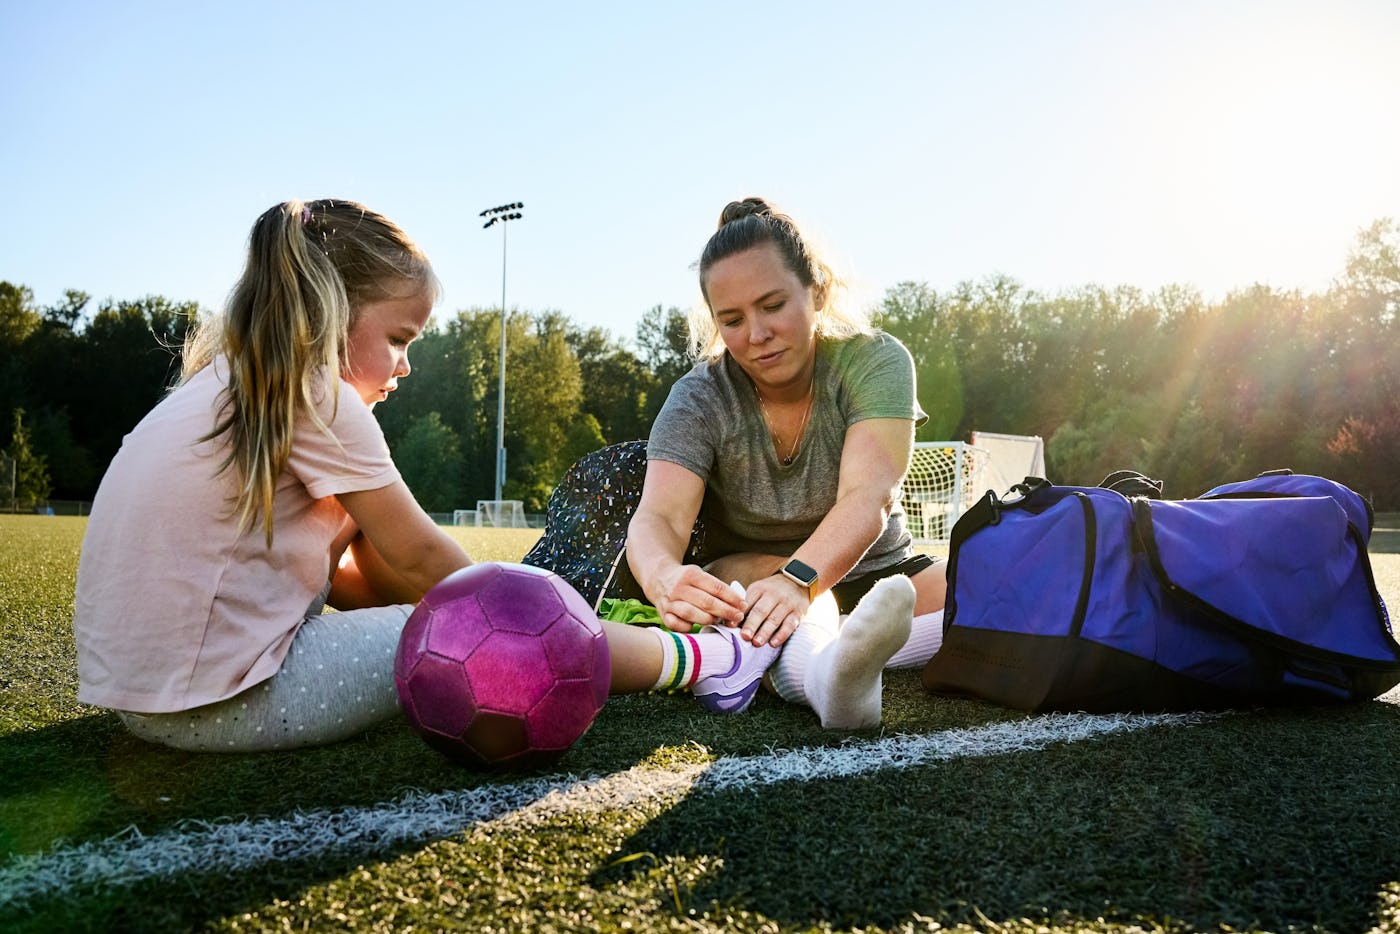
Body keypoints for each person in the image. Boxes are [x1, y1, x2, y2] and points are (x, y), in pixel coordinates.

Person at [72, 197, 760, 751]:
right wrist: (527, 618)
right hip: (227, 702)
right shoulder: (316, 394)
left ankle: (665, 650)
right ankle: (707, 661)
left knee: (426, 607)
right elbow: (422, 555)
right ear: (330, 316)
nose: (405, 365)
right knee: (506, 635)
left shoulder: (222, 383)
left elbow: (349, 578)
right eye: (399, 338)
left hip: (146, 704)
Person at [624, 196, 949, 728]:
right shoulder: (698, 396)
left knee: (995, 590)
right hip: (755, 574)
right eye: (731, 320)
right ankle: (829, 680)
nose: (755, 335)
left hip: (884, 572)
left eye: (772, 305)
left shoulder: (876, 359)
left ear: (816, 291)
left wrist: (801, 581)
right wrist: (663, 576)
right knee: (779, 602)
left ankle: (851, 647)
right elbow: (659, 517)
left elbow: (870, 497)